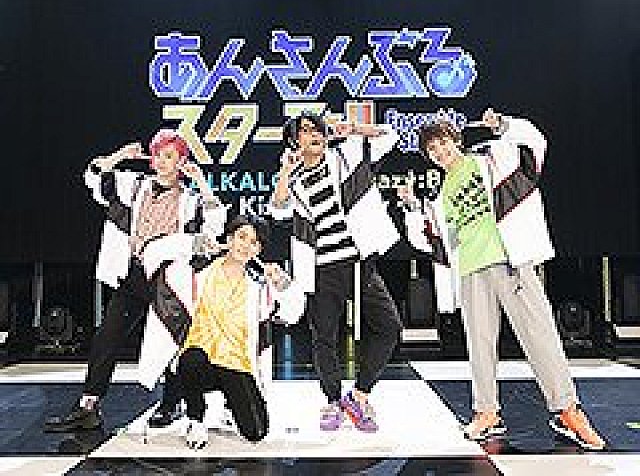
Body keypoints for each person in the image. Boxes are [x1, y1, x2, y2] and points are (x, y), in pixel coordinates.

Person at [400, 109, 606, 450]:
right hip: (471, 269)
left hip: (509, 259)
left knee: (540, 335)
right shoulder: (442, 191)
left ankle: (567, 410)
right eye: (432, 149)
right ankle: (487, 412)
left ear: (456, 140)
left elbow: (535, 143)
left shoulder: (490, 158)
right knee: (479, 345)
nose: (439, 152)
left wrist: (504, 125)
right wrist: (411, 207)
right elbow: (429, 240)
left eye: (443, 143)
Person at [45, 129, 227, 432]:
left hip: (168, 279)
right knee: (107, 337)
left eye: (169, 156)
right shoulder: (134, 185)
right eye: (157, 155)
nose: (162, 161)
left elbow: (214, 228)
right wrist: (119, 156)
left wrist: (202, 182)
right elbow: (93, 178)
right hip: (132, 275)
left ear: (181, 161)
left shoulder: (190, 200)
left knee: (172, 340)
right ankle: (89, 405)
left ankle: (171, 403)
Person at [268, 113, 403, 432]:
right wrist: (285, 172)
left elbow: (390, 136)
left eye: (317, 129)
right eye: (305, 131)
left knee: (389, 327)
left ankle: (359, 395)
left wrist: (354, 128)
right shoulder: (294, 179)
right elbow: (277, 211)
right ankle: (332, 401)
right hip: (321, 268)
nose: (314, 134)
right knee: (323, 338)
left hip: (358, 260)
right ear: (295, 141)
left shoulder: (346, 155)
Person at [177, 215, 305, 448]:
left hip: (237, 363)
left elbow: (294, 313)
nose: (246, 245)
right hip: (202, 359)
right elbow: (164, 255)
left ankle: (231, 403)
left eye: (254, 242)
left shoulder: (259, 283)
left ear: (259, 250)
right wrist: (199, 243)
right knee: (190, 360)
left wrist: (281, 283)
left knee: (256, 432)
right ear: (229, 239)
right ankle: (196, 419)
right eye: (242, 237)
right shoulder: (201, 271)